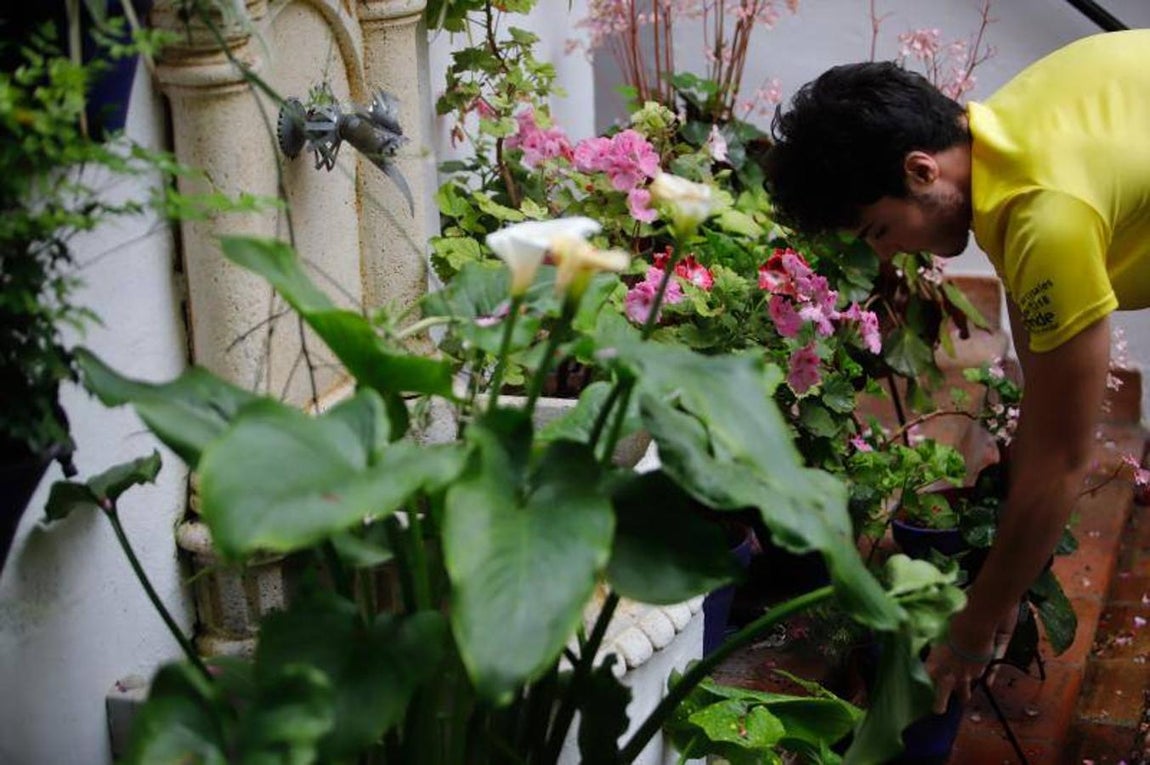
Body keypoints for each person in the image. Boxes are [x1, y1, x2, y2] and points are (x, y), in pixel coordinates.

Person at [764, 29, 1150, 722]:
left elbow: (1064, 456)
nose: (890, 253)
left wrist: (976, 625)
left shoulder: (1043, 213)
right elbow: (1043, 399)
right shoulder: (1006, 129)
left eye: (880, 231)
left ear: (920, 170)